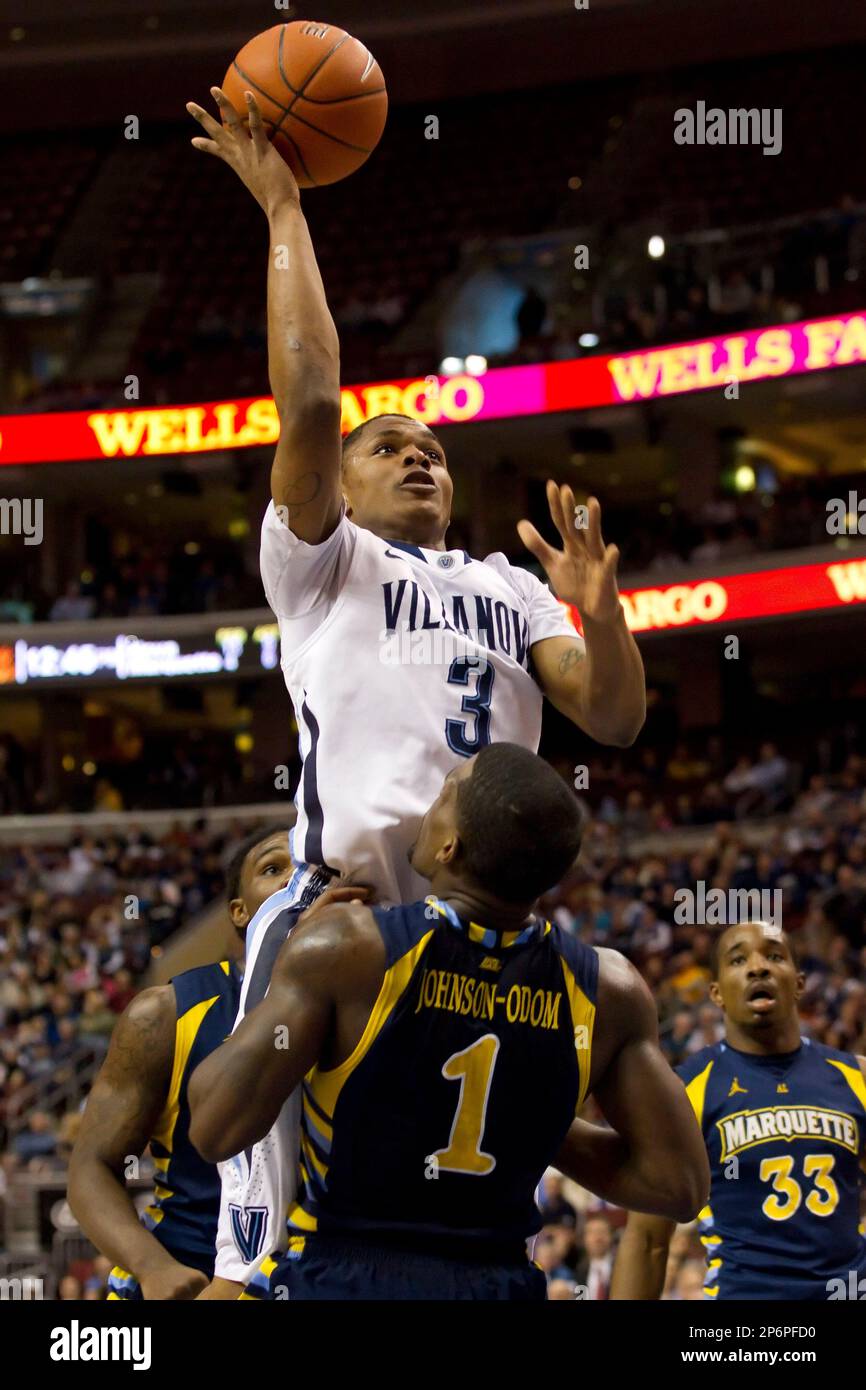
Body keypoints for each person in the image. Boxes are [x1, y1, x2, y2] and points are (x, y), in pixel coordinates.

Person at [186, 84, 646, 1289]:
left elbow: (611, 714)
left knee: (448, 1210)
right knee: (267, 1243)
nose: (418, 449)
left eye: (431, 444)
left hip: (482, 915)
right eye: (387, 444)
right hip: (340, 908)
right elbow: (313, 394)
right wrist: (283, 206)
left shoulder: (513, 584)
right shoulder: (325, 560)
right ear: (334, 477)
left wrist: (603, 613)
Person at [189, 746, 707, 1301]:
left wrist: (278, 966)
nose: (426, 805)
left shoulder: (347, 946)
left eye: (443, 793)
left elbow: (214, 1127)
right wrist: (529, 1124)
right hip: (496, 1282)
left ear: (448, 845)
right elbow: (677, 1185)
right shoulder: (609, 988)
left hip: (347, 1276)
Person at [67, 827, 296, 1300]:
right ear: (239, 911)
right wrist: (153, 1268)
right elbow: (91, 1166)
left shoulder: (379, 996)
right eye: (274, 868)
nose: (295, 881)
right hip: (189, 1272)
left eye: (309, 867)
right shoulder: (166, 1014)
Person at [611, 921, 866, 1301]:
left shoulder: (857, 1076)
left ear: (798, 983)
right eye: (738, 959)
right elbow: (648, 1239)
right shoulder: (684, 1090)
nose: (758, 967)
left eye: (775, 956)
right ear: (716, 993)